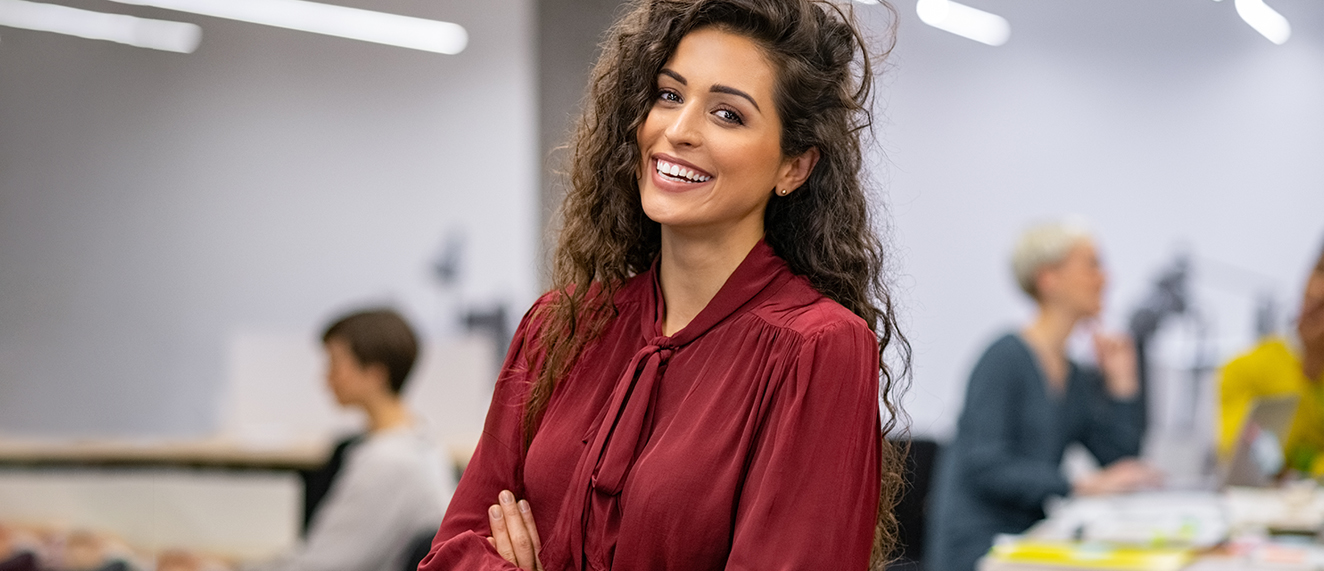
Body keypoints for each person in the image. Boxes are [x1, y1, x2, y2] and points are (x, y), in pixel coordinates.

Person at [418, 1, 909, 569]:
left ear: (793, 167)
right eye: (670, 95)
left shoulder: (817, 348)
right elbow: (452, 553)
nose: (677, 131)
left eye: (728, 114)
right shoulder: (559, 325)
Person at [927, 221, 1162, 571]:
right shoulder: (1003, 358)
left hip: (1030, 540)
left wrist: (1123, 383)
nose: (1105, 278)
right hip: (980, 545)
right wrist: (1079, 485)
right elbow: (986, 465)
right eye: (1092, 265)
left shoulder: (1074, 374)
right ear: (1049, 278)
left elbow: (1120, 458)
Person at [249, 309, 451, 571]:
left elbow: (321, 566)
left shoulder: (387, 461)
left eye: (334, 363)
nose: (326, 376)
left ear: (375, 373)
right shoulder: (420, 440)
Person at [1218, 241, 1324, 475]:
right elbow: (1248, 463)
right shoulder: (1244, 368)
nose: (1319, 290)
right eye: (1319, 270)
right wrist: (1309, 368)